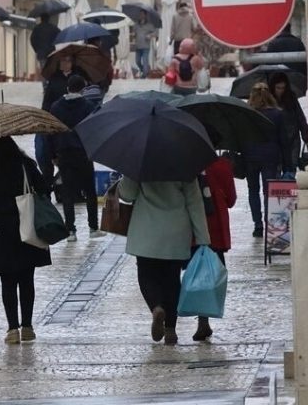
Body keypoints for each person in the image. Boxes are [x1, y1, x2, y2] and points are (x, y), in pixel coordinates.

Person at [0, 137, 52, 344]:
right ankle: (27, 326)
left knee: (8, 281)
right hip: (26, 225)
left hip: (1, 229)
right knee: (27, 279)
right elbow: (44, 188)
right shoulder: (24, 164)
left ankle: (12, 329)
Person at [118, 176, 210, 346]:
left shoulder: (140, 161)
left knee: (146, 275)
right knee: (172, 280)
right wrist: (203, 237)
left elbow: (127, 194)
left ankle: (156, 307)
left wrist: (126, 176)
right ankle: (170, 330)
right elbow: (194, 202)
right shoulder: (183, 164)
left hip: (146, 231)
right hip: (176, 231)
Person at [192, 126, 237, 342]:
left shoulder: (188, 164)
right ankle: (204, 319)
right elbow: (231, 200)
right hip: (216, 230)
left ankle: (171, 318)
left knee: (194, 272)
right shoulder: (222, 166)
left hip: (192, 228)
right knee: (211, 273)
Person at [48, 75, 101, 241]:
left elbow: (50, 132)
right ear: (83, 89)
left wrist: (52, 154)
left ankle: (70, 229)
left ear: (67, 88)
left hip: (64, 153)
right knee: (90, 191)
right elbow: (93, 130)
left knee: (68, 192)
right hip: (83, 153)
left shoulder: (56, 107)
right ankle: (93, 227)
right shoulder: (88, 106)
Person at [245, 83, 290, 237]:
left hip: (250, 156)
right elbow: (284, 140)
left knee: (253, 190)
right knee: (268, 192)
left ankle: (257, 224)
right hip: (271, 157)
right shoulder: (277, 114)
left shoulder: (247, 114)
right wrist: (288, 164)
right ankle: (269, 222)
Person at [38, 55, 88, 185]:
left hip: (76, 121)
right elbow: (47, 101)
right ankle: (50, 181)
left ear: (72, 62)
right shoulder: (55, 78)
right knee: (44, 149)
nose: (64, 63)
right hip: (58, 118)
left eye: (67, 60)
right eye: (62, 61)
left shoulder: (79, 75)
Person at [269, 72, 308, 180]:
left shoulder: (291, 98)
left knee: (290, 171)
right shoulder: (268, 100)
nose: (280, 90)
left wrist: (305, 134)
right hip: (275, 141)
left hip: (292, 139)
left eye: (283, 88)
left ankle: (287, 195)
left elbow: (300, 117)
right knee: (275, 172)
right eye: (278, 88)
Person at [133, 11, 157, 78]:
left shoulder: (149, 25)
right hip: (138, 46)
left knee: (145, 60)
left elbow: (155, 33)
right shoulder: (136, 25)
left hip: (146, 46)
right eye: (140, 14)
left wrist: (150, 35)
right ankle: (144, 69)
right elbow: (134, 33)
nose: (141, 15)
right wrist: (134, 35)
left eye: (142, 14)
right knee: (137, 61)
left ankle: (144, 75)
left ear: (145, 15)